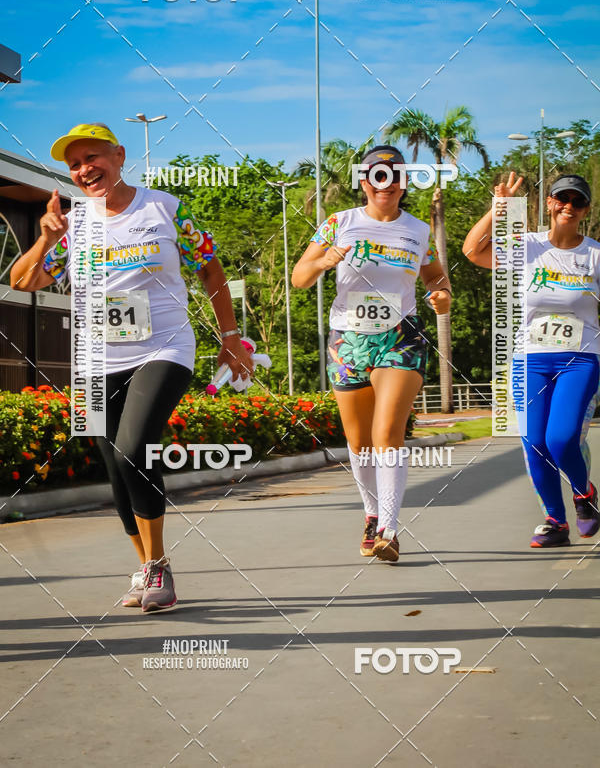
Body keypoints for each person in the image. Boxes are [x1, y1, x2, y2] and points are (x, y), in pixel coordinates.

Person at [10, 123, 253, 609]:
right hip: (94, 361)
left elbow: (209, 265)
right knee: (115, 468)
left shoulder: (163, 208)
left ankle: (159, 567)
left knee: (132, 449)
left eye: (92, 158)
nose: (84, 170)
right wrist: (43, 238)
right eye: (74, 164)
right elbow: (23, 281)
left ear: (119, 156)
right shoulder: (73, 225)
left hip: (163, 348)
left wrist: (230, 337)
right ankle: (145, 568)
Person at [292, 145, 452, 561]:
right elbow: (299, 278)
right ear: (364, 180)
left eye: (395, 174)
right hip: (348, 339)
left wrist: (442, 296)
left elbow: (436, 276)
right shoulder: (338, 223)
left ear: (404, 182)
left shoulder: (417, 230)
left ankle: (389, 528)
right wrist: (324, 261)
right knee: (359, 440)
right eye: (377, 174)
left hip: (401, 337)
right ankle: (370, 513)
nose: (386, 181)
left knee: (387, 433)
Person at [463, 171, 600, 547]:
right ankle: (556, 522)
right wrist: (499, 208)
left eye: (578, 201)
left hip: (580, 358)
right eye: (562, 199)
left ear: (585, 210)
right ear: (550, 203)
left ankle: (584, 495)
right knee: (534, 442)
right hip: (530, 359)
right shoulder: (528, 247)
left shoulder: (595, 255)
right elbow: (474, 251)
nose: (569, 206)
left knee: (561, 438)